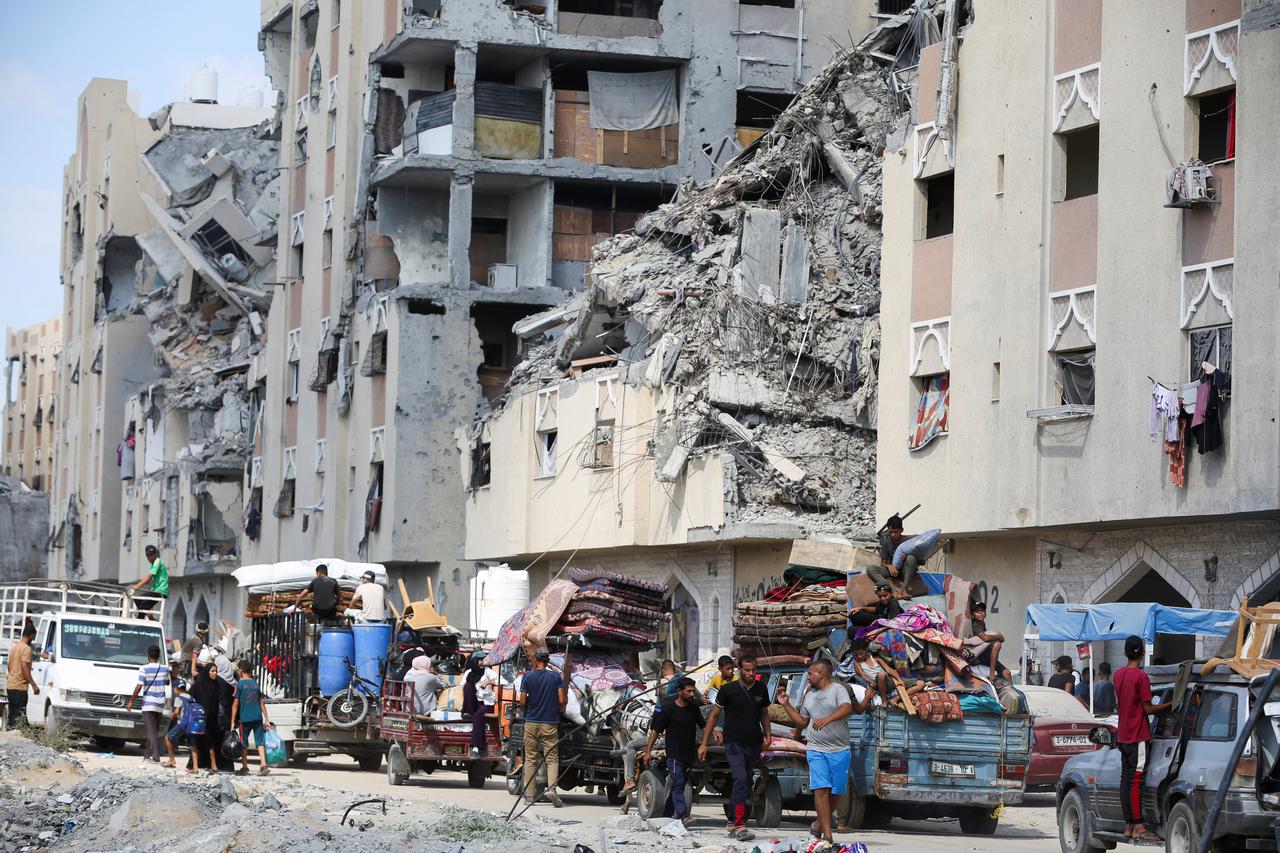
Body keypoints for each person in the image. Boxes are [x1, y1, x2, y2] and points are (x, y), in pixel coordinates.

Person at [776, 660, 863, 846]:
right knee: (821, 789)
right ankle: (828, 834)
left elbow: (847, 708)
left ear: (821, 673)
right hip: (816, 749)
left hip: (840, 749)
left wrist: (827, 719)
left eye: (810, 673)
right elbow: (802, 722)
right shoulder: (809, 695)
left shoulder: (837, 689)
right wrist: (786, 705)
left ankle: (817, 823)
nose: (808, 677)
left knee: (837, 791)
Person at [699, 654, 771, 841]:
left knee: (745, 781)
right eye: (747, 670)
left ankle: (731, 820)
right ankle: (740, 824)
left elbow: (764, 713)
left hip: (753, 743)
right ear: (739, 670)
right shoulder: (728, 690)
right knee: (739, 778)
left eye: (753, 670)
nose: (750, 673)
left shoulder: (761, 688)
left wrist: (768, 736)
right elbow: (714, 716)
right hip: (733, 743)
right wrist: (704, 743)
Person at [1114, 635, 1172, 843]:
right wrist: (1171, 705)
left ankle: (1128, 826)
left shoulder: (1118, 675)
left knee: (1125, 780)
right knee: (1136, 781)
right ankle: (1139, 826)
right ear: (1143, 653)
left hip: (1122, 735)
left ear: (1125, 652)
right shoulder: (1141, 677)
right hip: (1138, 735)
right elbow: (1148, 709)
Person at [645, 677, 702, 825]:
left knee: (680, 785)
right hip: (674, 756)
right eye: (688, 691)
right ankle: (683, 816)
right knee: (679, 782)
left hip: (688, 755)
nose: (692, 694)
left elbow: (703, 724)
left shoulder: (694, 708)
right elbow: (656, 730)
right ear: (679, 691)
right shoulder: (669, 709)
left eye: (693, 691)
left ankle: (667, 814)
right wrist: (648, 751)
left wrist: (715, 730)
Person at [519, 648, 566, 807]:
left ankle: (530, 796)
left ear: (535, 659)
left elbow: (523, 702)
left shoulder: (527, 677)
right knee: (552, 758)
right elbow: (561, 700)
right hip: (550, 723)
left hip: (531, 722)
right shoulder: (555, 677)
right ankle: (552, 789)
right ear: (547, 660)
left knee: (531, 759)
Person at [126, 645, 169, 765]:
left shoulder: (144, 668)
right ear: (159, 655)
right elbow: (167, 681)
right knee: (154, 730)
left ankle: (156, 756)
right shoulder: (165, 668)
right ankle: (147, 755)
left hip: (148, 704)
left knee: (151, 731)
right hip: (160, 703)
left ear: (148, 655)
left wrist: (131, 701)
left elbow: (139, 686)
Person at [188, 662, 231, 774]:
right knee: (197, 741)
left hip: (212, 719)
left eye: (216, 671)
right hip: (200, 718)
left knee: (210, 741)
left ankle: (213, 765)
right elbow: (189, 697)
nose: (214, 673)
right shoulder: (199, 684)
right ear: (207, 672)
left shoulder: (217, 684)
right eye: (212, 671)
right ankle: (195, 765)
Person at [232, 660, 271, 776]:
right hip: (257, 718)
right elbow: (262, 702)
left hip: (245, 718)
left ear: (241, 670)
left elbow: (235, 704)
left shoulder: (239, 685)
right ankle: (263, 764)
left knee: (244, 743)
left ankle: (245, 767)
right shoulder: (255, 684)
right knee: (260, 742)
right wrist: (266, 718)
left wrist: (232, 721)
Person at [867, 515, 916, 598]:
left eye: (896, 532)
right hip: (891, 572)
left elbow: (922, 561)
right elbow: (883, 563)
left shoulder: (909, 541)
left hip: (904, 572)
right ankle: (891, 589)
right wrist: (889, 566)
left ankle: (904, 590)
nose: (893, 535)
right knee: (870, 568)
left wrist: (908, 557)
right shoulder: (886, 542)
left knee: (911, 558)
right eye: (890, 532)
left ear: (901, 530)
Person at [965, 600, 1010, 680]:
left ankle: (1012, 691)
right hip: (980, 656)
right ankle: (992, 675)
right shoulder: (976, 624)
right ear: (972, 615)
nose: (980, 613)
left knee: (1007, 673)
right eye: (977, 611)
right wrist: (999, 636)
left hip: (987, 655)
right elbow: (984, 638)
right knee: (997, 644)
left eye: (982, 611)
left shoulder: (982, 623)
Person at [6, 624, 39, 726]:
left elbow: (9, 665)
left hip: (10, 685)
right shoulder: (26, 649)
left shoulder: (14, 647)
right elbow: (24, 667)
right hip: (20, 687)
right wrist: (33, 685)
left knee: (12, 716)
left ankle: (9, 738)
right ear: (32, 636)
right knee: (19, 718)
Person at [129, 545, 168, 620]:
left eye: (152, 554)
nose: (150, 557)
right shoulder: (153, 564)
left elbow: (150, 576)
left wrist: (137, 586)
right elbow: (150, 579)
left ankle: (140, 622)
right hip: (156, 590)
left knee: (143, 606)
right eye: (148, 555)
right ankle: (149, 616)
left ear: (155, 554)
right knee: (137, 600)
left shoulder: (158, 562)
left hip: (161, 591)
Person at [462, 659, 491, 758]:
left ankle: (476, 747)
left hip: (487, 702)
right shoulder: (469, 673)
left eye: (482, 659)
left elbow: (503, 682)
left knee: (478, 716)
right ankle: (468, 712)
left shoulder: (488, 671)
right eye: (478, 659)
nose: (480, 662)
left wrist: (490, 682)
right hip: (475, 702)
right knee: (467, 686)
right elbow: (461, 685)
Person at [163, 679, 190, 769]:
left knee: (168, 737)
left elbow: (177, 711)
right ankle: (196, 765)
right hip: (191, 723)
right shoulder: (190, 697)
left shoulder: (179, 698)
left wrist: (171, 715)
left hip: (182, 723)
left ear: (175, 688)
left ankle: (171, 759)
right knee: (193, 745)